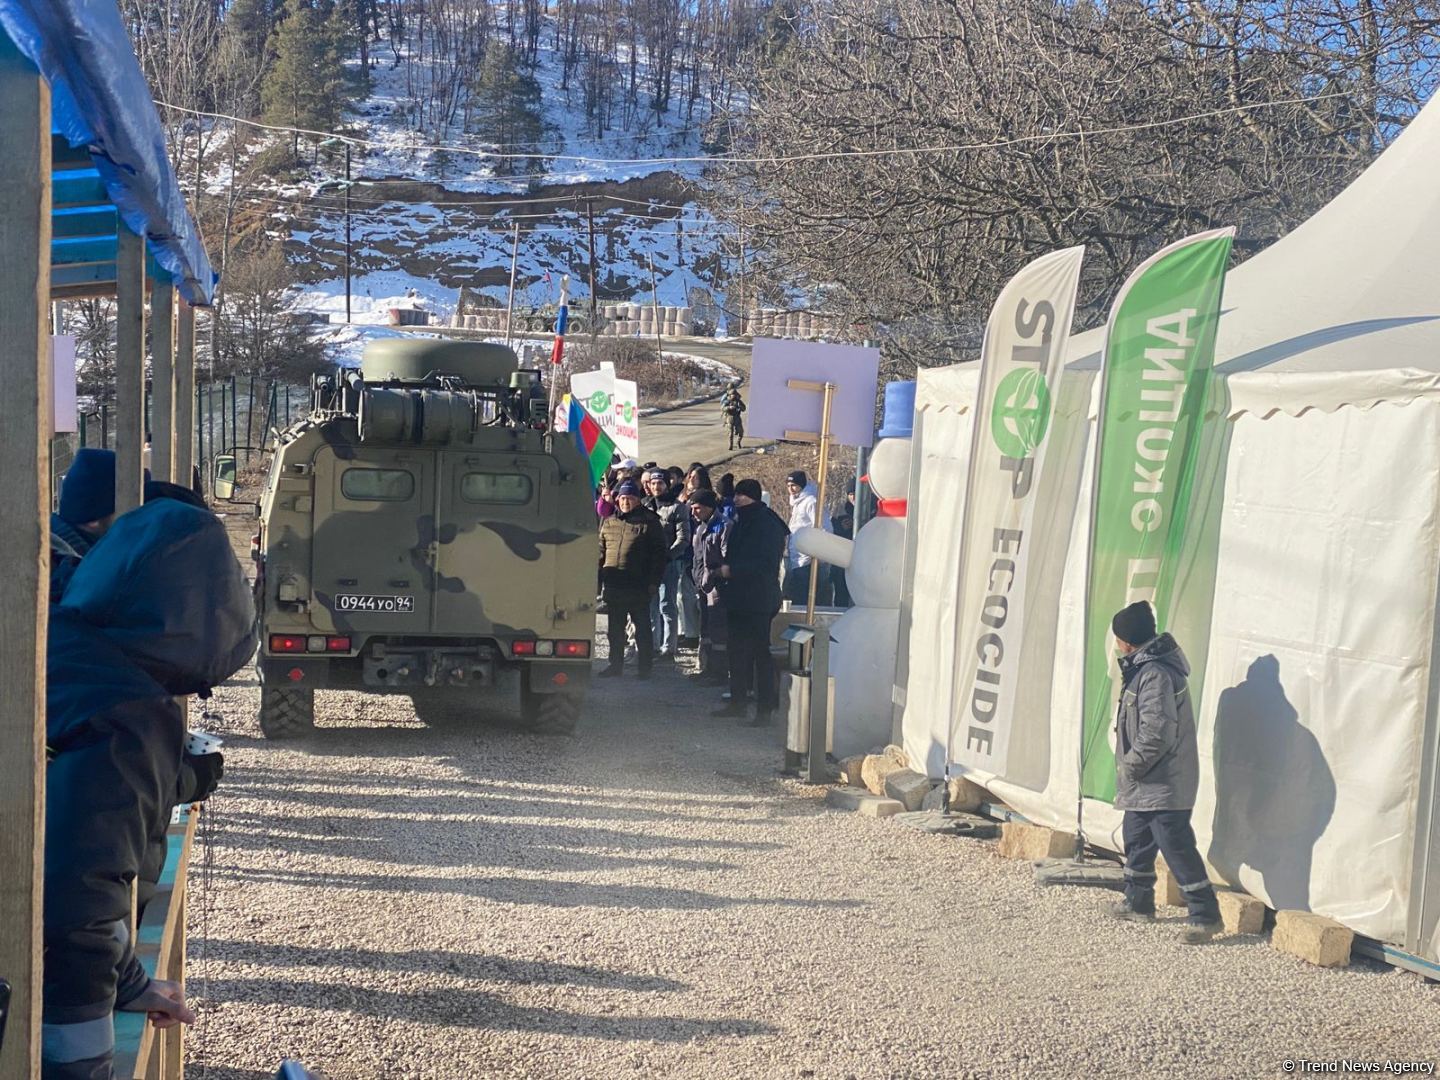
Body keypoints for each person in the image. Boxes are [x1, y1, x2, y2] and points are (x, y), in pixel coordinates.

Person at [43, 497, 256, 1079]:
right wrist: (83, 1063)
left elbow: (79, 845)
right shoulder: (129, 715)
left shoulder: (57, 638)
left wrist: (129, 982)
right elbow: (79, 899)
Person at [1107, 600, 1223, 944]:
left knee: (1176, 845)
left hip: (1162, 780)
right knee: (1136, 837)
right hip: (1147, 782)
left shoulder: (1154, 674)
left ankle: (1205, 915)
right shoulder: (1143, 669)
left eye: (1117, 637)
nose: (1116, 643)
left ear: (1127, 641)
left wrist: (1131, 765)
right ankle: (1138, 901)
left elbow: (1157, 732)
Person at [714, 478, 789, 725]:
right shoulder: (744, 520)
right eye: (736, 495)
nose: (737, 499)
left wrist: (732, 570)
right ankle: (738, 701)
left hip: (759, 598)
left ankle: (764, 709)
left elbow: (765, 563)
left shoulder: (766, 524)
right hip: (739, 597)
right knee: (736, 651)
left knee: (759, 653)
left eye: (742, 495)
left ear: (753, 497)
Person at [596, 480, 666, 678]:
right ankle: (615, 665)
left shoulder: (649, 522)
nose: (626, 502)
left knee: (642, 629)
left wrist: (654, 582)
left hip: (638, 585)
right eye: (623, 498)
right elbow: (600, 552)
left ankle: (645, 668)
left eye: (631, 498)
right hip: (614, 584)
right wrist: (598, 579)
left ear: (638, 500)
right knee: (615, 630)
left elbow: (659, 555)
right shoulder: (609, 521)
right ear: (617, 499)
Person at [643, 468, 688, 658]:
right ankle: (652, 645)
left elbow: (683, 538)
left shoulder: (678, 508)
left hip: (668, 563)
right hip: (647, 564)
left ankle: (669, 647)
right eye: (653, 483)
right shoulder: (645, 505)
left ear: (667, 484)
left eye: (660, 483)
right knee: (650, 606)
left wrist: (668, 556)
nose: (656, 487)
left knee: (667, 605)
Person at [688, 490, 732, 685]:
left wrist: (713, 574)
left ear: (708, 507)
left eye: (697, 508)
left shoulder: (724, 526)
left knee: (718, 631)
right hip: (702, 586)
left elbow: (726, 556)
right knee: (705, 630)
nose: (693, 513)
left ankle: (719, 672)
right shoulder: (700, 527)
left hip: (718, 587)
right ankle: (708, 668)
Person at [782, 470, 831, 605]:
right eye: (788, 486)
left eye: (794, 485)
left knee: (804, 598)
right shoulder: (797, 503)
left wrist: (817, 552)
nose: (790, 489)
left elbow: (825, 528)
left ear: (801, 485)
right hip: (796, 558)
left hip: (808, 559)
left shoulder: (811, 502)